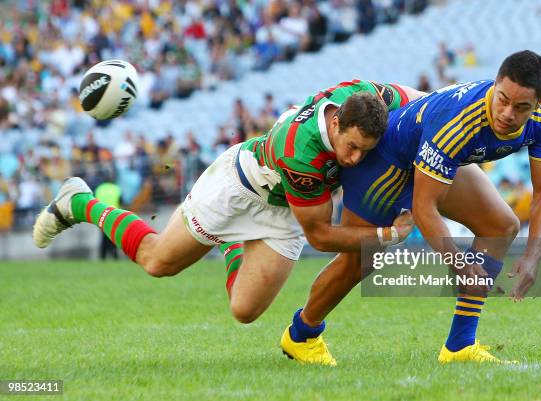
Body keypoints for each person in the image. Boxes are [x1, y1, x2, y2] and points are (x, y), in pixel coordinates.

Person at [33, 80, 418, 356]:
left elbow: (419, 101)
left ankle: (233, 244)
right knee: (157, 263)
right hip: (238, 189)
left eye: (363, 151)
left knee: (244, 310)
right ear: (335, 124)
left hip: (285, 210)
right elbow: (320, 235)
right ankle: (79, 202)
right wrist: (386, 235)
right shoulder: (301, 152)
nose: (354, 159)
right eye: (351, 147)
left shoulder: (370, 99)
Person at [281, 50, 541, 366]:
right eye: (503, 99)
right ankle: (301, 334)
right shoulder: (459, 122)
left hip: (439, 158)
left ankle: (459, 346)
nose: (508, 113)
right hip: (388, 160)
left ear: (538, 103)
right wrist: (459, 263)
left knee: (500, 226)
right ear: (495, 85)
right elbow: (424, 207)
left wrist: (534, 256)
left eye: (521, 107)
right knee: (361, 259)